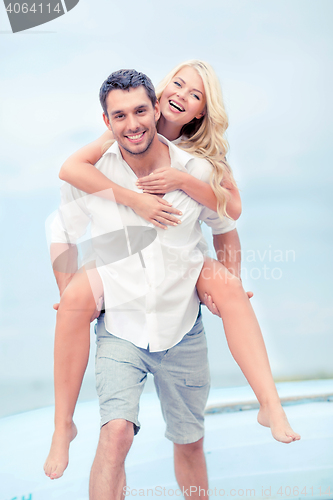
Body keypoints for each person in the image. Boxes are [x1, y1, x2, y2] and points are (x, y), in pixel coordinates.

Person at [44, 62, 300, 483]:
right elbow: (65, 208)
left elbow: (228, 217)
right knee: (114, 433)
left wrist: (227, 279)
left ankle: (269, 403)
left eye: (195, 95)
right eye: (178, 85)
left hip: (183, 294)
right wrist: (133, 201)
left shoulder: (198, 165)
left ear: (193, 111)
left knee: (191, 437)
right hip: (122, 311)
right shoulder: (103, 157)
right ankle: (62, 426)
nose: (182, 96)